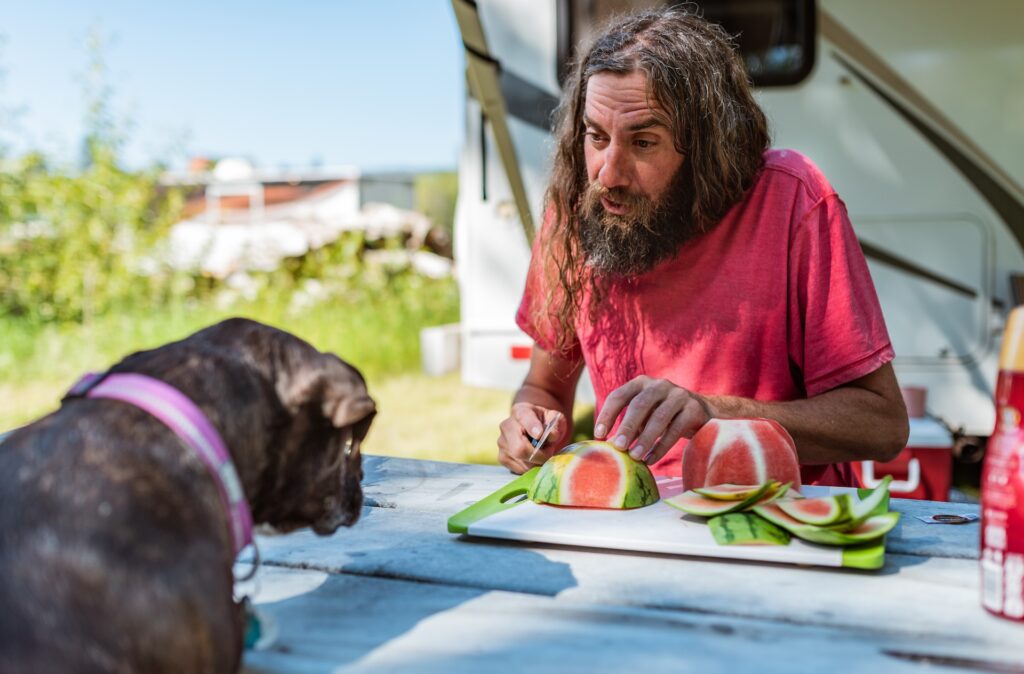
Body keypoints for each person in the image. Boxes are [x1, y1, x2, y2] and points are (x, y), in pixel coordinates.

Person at [496, 8, 909, 486]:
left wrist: (713, 413)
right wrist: (532, 427)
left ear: (707, 143)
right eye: (596, 136)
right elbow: (545, 385)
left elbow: (882, 425)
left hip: (782, 519)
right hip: (636, 519)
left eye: (644, 142)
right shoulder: (576, 211)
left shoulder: (794, 198)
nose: (607, 175)